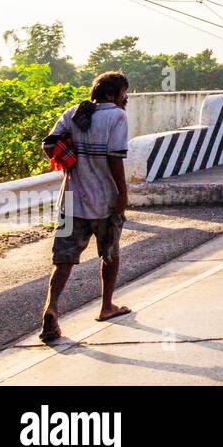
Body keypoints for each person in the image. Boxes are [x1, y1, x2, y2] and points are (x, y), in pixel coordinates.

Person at [40, 71, 132, 343]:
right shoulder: (116, 116)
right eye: (124, 93)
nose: (126, 99)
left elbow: (49, 144)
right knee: (110, 253)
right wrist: (122, 193)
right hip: (104, 199)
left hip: (70, 199)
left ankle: (52, 307)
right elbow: (115, 157)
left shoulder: (73, 113)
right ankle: (106, 306)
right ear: (112, 95)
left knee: (63, 259)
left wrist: (71, 159)